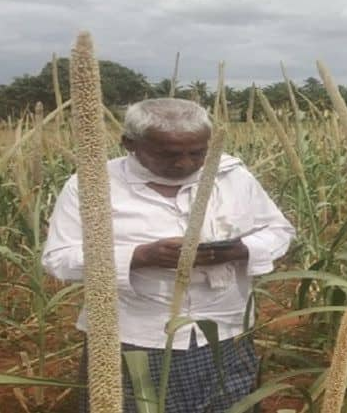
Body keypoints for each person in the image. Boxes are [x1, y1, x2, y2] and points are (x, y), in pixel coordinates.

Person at [42, 98, 296, 412]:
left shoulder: (231, 177)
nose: (185, 164)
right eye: (168, 154)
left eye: (197, 152)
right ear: (130, 144)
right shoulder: (92, 186)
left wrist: (238, 251)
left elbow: (278, 231)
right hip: (135, 336)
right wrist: (139, 257)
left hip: (225, 330)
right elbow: (59, 258)